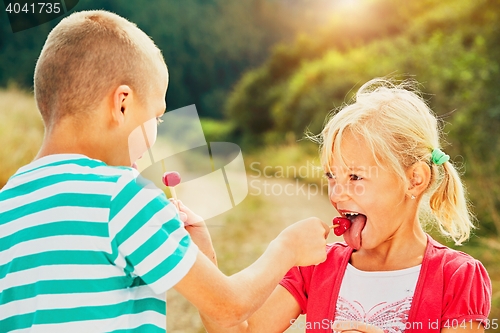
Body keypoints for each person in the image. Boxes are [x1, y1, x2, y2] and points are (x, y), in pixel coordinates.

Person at [0, 10, 331, 332]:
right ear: (123, 104)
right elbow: (228, 307)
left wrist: (200, 254)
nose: (156, 131)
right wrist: (288, 247)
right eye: (157, 117)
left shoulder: (7, 203)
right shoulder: (122, 195)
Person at [201, 79, 492, 333]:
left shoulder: (458, 278)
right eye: (332, 176)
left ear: (414, 179)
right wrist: (201, 257)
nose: (338, 194)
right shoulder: (315, 268)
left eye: (355, 177)